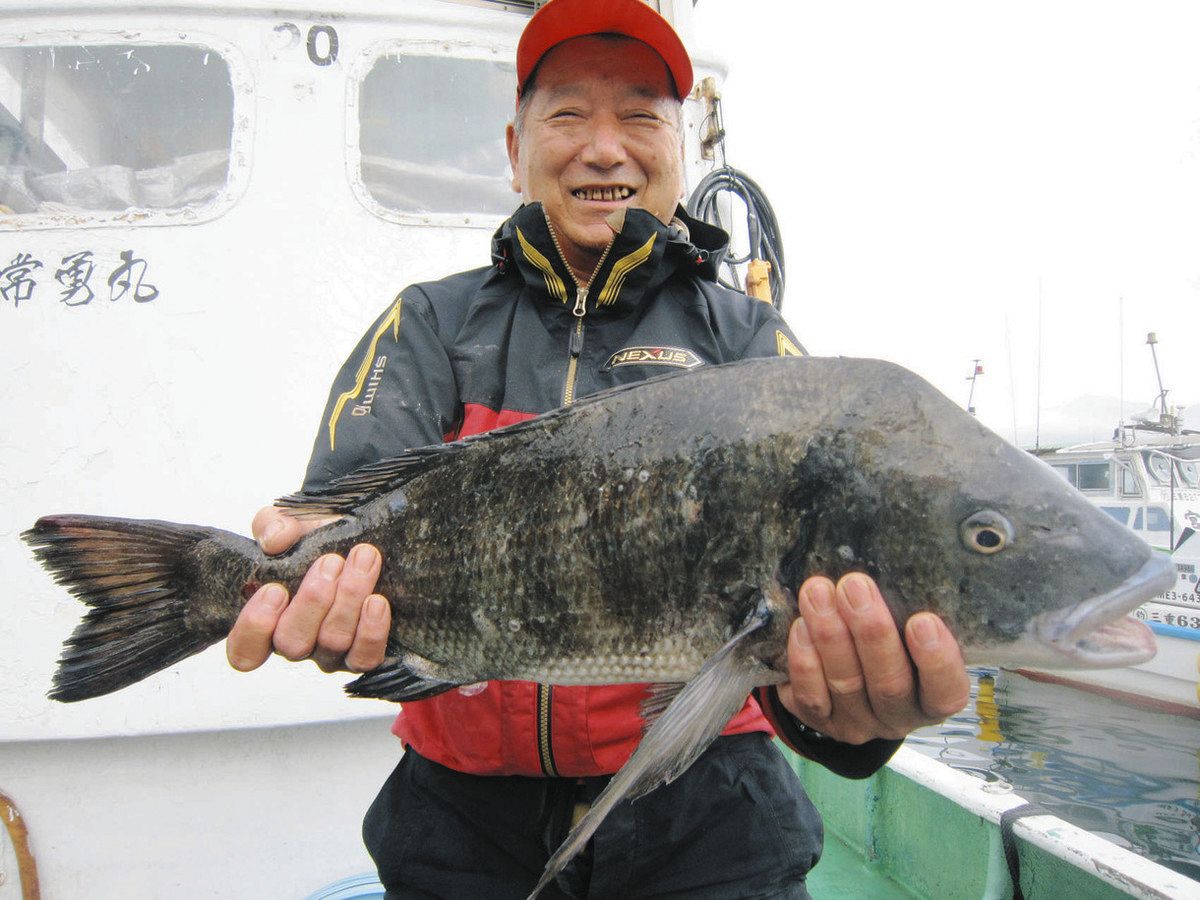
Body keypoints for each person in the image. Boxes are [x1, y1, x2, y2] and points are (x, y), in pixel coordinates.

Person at [227, 1, 970, 896]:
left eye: (641, 115)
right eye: (569, 114)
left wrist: (855, 717)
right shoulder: (428, 323)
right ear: (515, 147)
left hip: (710, 819)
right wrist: (300, 571)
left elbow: (786, 641)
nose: (604, 147)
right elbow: (339, 526)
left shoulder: (751, 345)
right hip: (457, 826)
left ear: (680, 149)